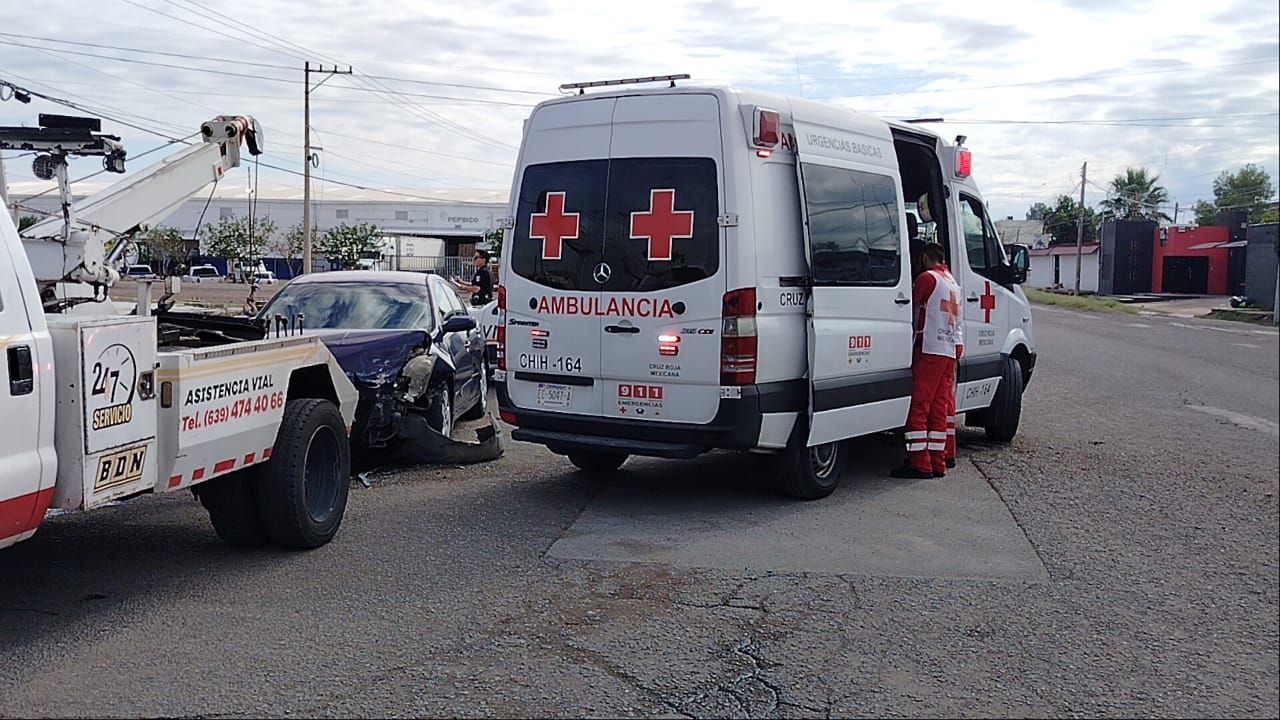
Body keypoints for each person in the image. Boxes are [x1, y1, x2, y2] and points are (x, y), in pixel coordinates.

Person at [892, 241, 963, 479]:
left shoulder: (927, 279)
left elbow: (910, 307)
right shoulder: (953, 282)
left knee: (919, 407)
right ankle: (938, 461)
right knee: (939, 408)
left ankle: (919, 463)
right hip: (949, 350)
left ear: (924, 257)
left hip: (929, 349)